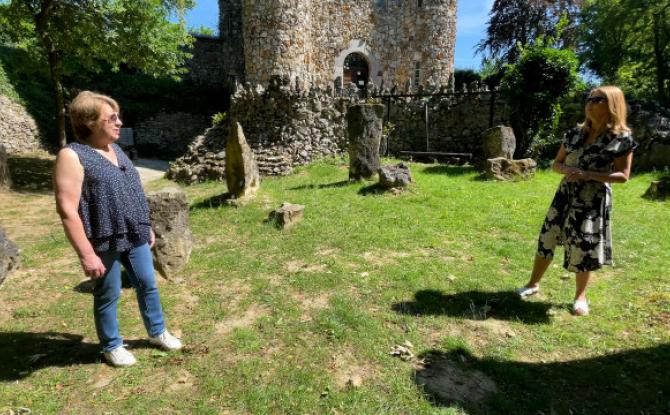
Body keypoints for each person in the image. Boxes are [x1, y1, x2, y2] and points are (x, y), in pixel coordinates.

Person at [54, 91, 183, 366]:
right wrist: (87, 254)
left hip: (134, 232)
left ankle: (157, 331)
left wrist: (144, 224)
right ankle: (112, 345)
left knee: (147, 283)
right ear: (89, 122)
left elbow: (132, 189)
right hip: (102, 239)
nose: (119, 122)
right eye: (111, 118)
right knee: (108, 293)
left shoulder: (116, 148)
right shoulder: (72, 156)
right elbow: (67, 209)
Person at [516, 86, 637, 316]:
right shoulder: (575, 134)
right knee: (548, 236)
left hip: (592, 200)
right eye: (589, 98)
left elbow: (623, 176)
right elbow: (556, 164)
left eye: (597, 99)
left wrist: (589, 174)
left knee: (584, 245)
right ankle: (533, 284)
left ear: (612, 103)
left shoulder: (621, 138)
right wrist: (568, 169)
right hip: (566, 194)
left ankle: (580, 296)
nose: (590, 102)